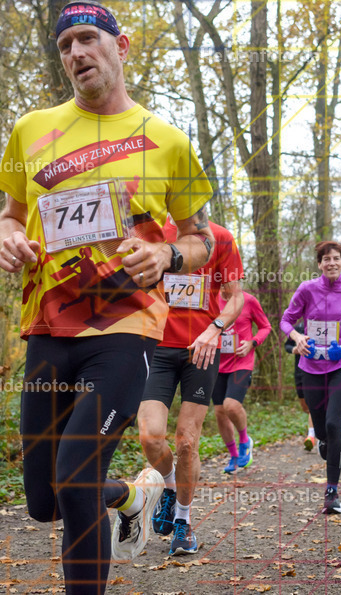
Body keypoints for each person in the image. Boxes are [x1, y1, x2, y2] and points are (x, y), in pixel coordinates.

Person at [0, 0, 215, 594]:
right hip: (47, 328)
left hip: (124, 331)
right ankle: (133, 495)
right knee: (46, 500)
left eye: (88, 39)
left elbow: (201, 240)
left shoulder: (166, 140)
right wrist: (11, 242)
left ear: (122, 46)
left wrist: (167, 255)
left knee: (74, 475)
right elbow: (8, 217)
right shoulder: (32, 129)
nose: (76, 54)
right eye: (65, 46)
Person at [139, 219, 244, 557]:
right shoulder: (150, 231)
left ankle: (182, 522)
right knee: (150, 435)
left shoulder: (221, 238)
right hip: (156, 348)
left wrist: (214, 329)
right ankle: (169, 487)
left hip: (202, 349)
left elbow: (235, 298)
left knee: (186, 439)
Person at [281, 241, 341, 514]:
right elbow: (286, 321)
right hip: (310, 367)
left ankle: (332, 491)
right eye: (326, 259)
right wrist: (297, 337)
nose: (332, 263)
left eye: (337, 258)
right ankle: (322, 439)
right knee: (322, 429)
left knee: (335, 424)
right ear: (320, 264)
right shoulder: (307, 289)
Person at [214, 289, 271, 473]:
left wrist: (252, 343)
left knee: (230, 405)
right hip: (216, 364)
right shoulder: (209, 299)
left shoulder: (249, 300)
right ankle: (234, 456)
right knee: (220, 413)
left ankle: (245, 440)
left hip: (241, 362)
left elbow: (265, 327)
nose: (225, 283)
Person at [284, 320, 317, 450]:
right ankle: (317, 425)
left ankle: (311, 436)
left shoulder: (321, 325)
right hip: (299, 371)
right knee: (305, 407)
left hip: (315, 370)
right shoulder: (298, 328)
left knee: (313, 403)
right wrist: (294, 350)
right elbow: (287, 346)